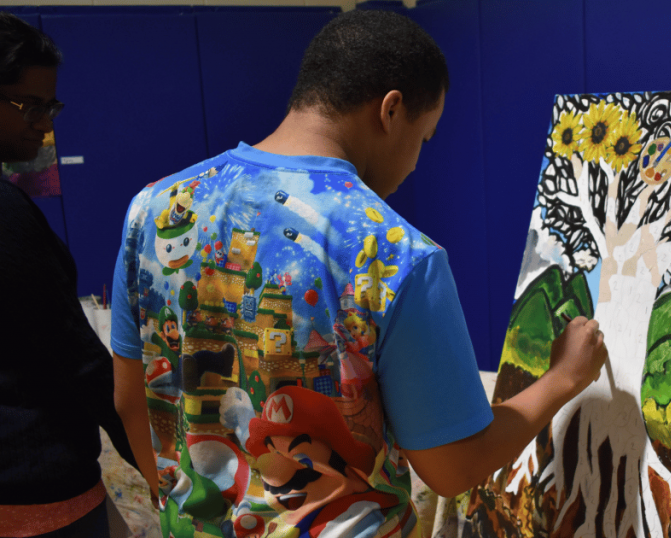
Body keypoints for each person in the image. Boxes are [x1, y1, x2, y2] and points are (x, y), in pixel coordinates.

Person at [110, 10, 607, 538]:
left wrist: (184, 507)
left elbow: (128, 400)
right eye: (424, 137)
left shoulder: (154, 209)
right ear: (391, 110)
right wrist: (563, 379)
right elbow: (452, 467)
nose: (415, 162)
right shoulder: (394, 253)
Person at [0, 12, 138, 538]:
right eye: (28, 105)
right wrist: (155, 465)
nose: (45, 122)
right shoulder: (7, 213)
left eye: (49, 105)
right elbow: (75, 359)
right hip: (33, 492)